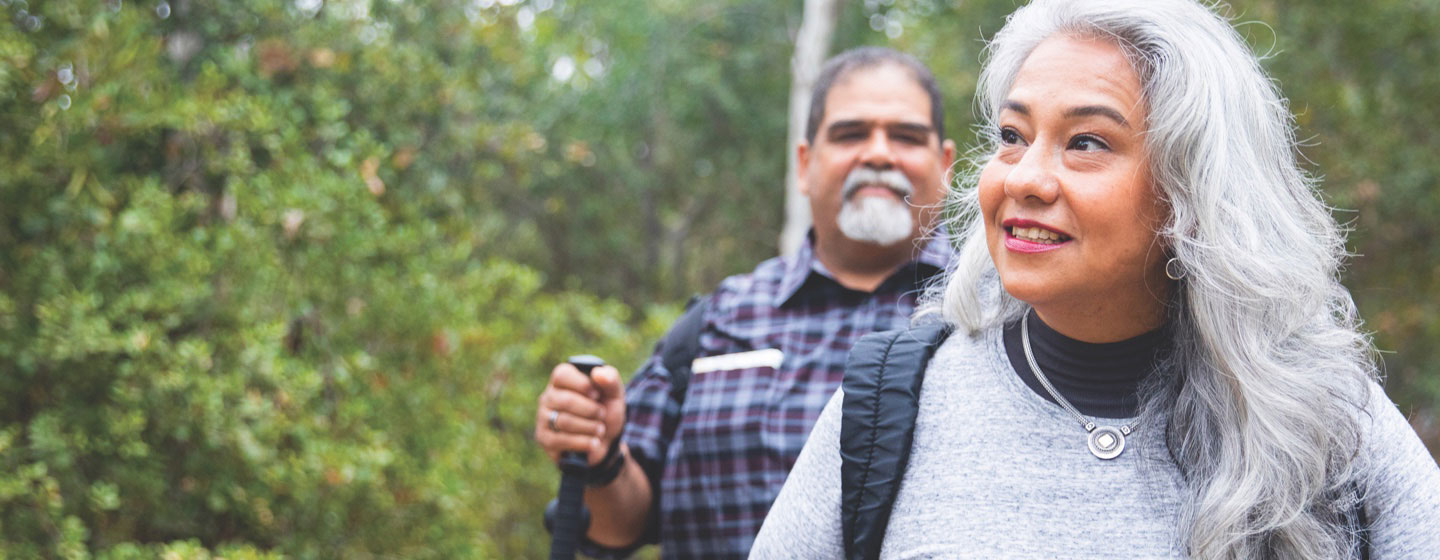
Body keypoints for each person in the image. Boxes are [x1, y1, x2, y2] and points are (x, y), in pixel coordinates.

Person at [752, 0, 1440, 558]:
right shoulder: (891, 403)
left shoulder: (1325, 418)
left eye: (1086, 142)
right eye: (1013, 136)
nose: (1024, 177)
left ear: (1192, 191)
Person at [533, 47, 958, 559]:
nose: (879, 154)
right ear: (805, 164)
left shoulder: (1011, 317)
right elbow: (617, 526)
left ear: (945, 165)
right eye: (851, 134)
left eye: (906, 136)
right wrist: (599, 457)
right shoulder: (716, 323)